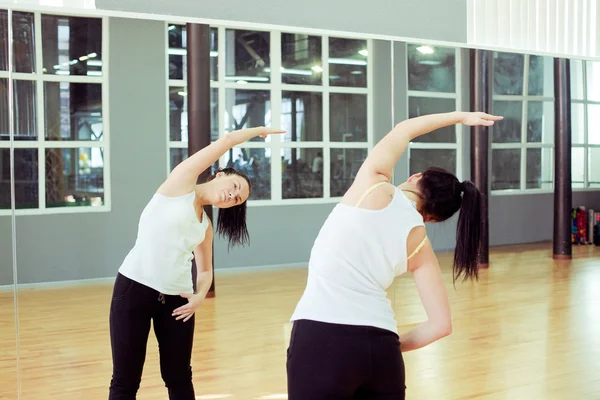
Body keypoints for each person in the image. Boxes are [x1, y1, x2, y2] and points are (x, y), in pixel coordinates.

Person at [286, 111, 503, 400]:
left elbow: (404, 129)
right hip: (383, 353)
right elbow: (441, 326)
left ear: (416, 177)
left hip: (320, 338)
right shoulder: (420, 243)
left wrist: (461, 117)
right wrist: (385, 344)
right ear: (432, 219)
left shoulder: (373, 184)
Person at [108, 126, 284, 400]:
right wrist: (259, 130)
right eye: (235, 187)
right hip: (134, 288)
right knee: (126, 379)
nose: (232, 197)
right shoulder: (180, 184)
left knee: (179, 376)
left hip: (178, 301)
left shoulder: (206, 226)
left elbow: (204, 270)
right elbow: (225, 141)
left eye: (237, 200)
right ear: (221, 174)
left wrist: (199, 296)